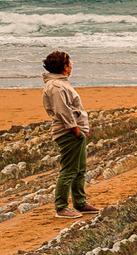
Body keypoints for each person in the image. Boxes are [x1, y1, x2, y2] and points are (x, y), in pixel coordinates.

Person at [41, 51, 99, 218]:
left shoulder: (60, 83)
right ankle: (61, 207)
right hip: (68, 132)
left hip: (75, 131)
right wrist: (75, 130)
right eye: (70, 64)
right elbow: (62, 111)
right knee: (69, 170)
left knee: (80, 169)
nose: (72, 66)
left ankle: (80, 203)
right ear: (64, 67)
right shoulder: (56, 86)